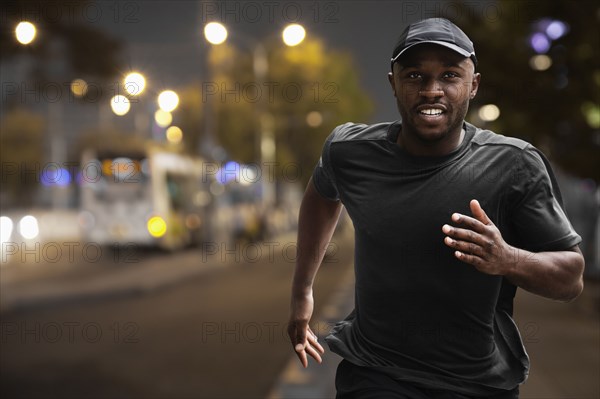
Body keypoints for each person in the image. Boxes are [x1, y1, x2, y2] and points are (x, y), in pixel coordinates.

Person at [287, 18, 585, 399]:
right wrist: (302, 293)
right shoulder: (350, 152)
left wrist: (508, 259)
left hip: (478, 383)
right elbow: (322, 195)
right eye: (414, 76)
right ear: (393, 81)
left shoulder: (514, 164)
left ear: (473, 84)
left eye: (449, 75)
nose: (431, 91)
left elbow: (571, 277)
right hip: (377, 373)